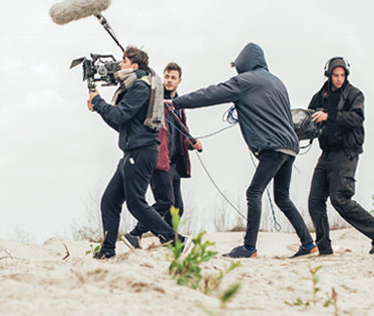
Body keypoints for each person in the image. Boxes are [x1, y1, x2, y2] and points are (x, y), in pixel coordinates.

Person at [166, 43, 315, 258]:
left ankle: (249, 247)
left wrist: (176, 102)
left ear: (244, 63)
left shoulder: (245, 81)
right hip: (290, 146)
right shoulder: (277, 82)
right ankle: (308, 243)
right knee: (282, 197)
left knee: (253, 192)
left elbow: (211, 94)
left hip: (273, 147)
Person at [88, 46, 186, 259]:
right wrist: (98, 107)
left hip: (141, 153)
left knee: (136, 204)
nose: (118, 65)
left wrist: (98, 101)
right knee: (109, 201)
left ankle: (175, 240)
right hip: (131, 152)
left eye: (122, 62)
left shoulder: (141, 88)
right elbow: (121, 123)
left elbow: (120, 115)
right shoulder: (136, 87)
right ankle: (107, 251)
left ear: (133, 65)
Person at [122, 62, 202, 249]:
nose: (169, 80)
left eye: (173, 77)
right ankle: (137, 234)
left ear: (179, 81)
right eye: (166, 76)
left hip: (174, 162)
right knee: (165, 202)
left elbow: (182, 134)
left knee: (177, 208)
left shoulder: (179, 105)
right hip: (158, 159)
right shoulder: (156, 99)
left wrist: (192, 143)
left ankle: (164, 237)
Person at [307, 57, 374, 255]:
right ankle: (324, 248)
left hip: (346, 152)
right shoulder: (320, 96)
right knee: (315, 201)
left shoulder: (355, 94)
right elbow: (309, 117)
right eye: (335, 75)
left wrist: (330, 116)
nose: (338, 79)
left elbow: (357, 118)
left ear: (346, 75)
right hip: (326, 154)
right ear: (329, 75)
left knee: (340, 198)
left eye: (342, 75)